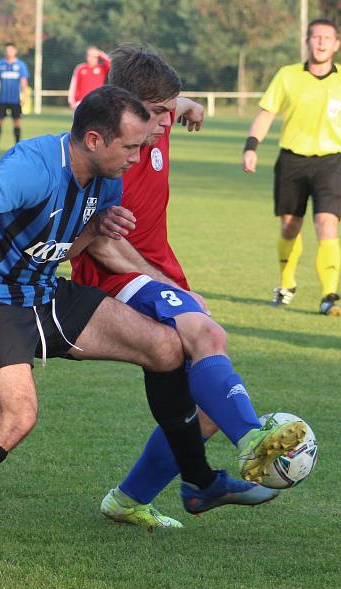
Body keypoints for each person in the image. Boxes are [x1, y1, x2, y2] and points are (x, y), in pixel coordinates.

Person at [0, 85, 296, 585]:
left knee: (165, 346)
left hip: (41, 290)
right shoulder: (35, 164)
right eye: (130, 148)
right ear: (94, 140)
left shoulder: (108, 178)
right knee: (16, 416)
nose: (138, 158)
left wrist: (163, 282)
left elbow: (69, 248)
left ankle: (200, 482)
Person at [71, 44, 306, 530]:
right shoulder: (114, 156)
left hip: (156, 269)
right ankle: (255, 442)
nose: (164, 123)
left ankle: (131, 498)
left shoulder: (159, 118)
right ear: (125, 110)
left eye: (166, 112)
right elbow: (101, 246)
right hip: (117, 272)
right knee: (207, 336)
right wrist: (171, 287)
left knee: (205, 406)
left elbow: (175, 105)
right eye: (156, 114)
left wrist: (188, 105)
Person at [243, 18, 341, 316]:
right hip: (292, 160)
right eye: (315, 37)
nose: (321, 42)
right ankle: (286, 285)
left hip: (331, 162)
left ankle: (329, 296)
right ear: (307, 42)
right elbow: (266, 114)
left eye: (327, 38)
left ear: (336, 44)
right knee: (289, 226)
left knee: (327, 224)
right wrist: (251, 147)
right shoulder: (286, 76)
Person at [0, 42, 29, 153]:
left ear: (15, 51)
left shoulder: (20, 65)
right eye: (7, 50)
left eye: (11, 50)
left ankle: (17, 147)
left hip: (15, 100)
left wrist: (25, 96)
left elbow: (23, 82)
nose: (9, 52)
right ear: (5, 51)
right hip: (2, 100)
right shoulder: (0, 65)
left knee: (17, 122)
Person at [67, 46, 111, 110]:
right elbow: (74, 85)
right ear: (86, 57)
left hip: (98, 102)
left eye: (94, 57)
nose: (91, 58)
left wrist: (100, 53)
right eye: (89, 56)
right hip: (82, 103)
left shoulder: (102, 68)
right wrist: (72, 102)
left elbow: (112, 63)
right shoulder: (80, 68)